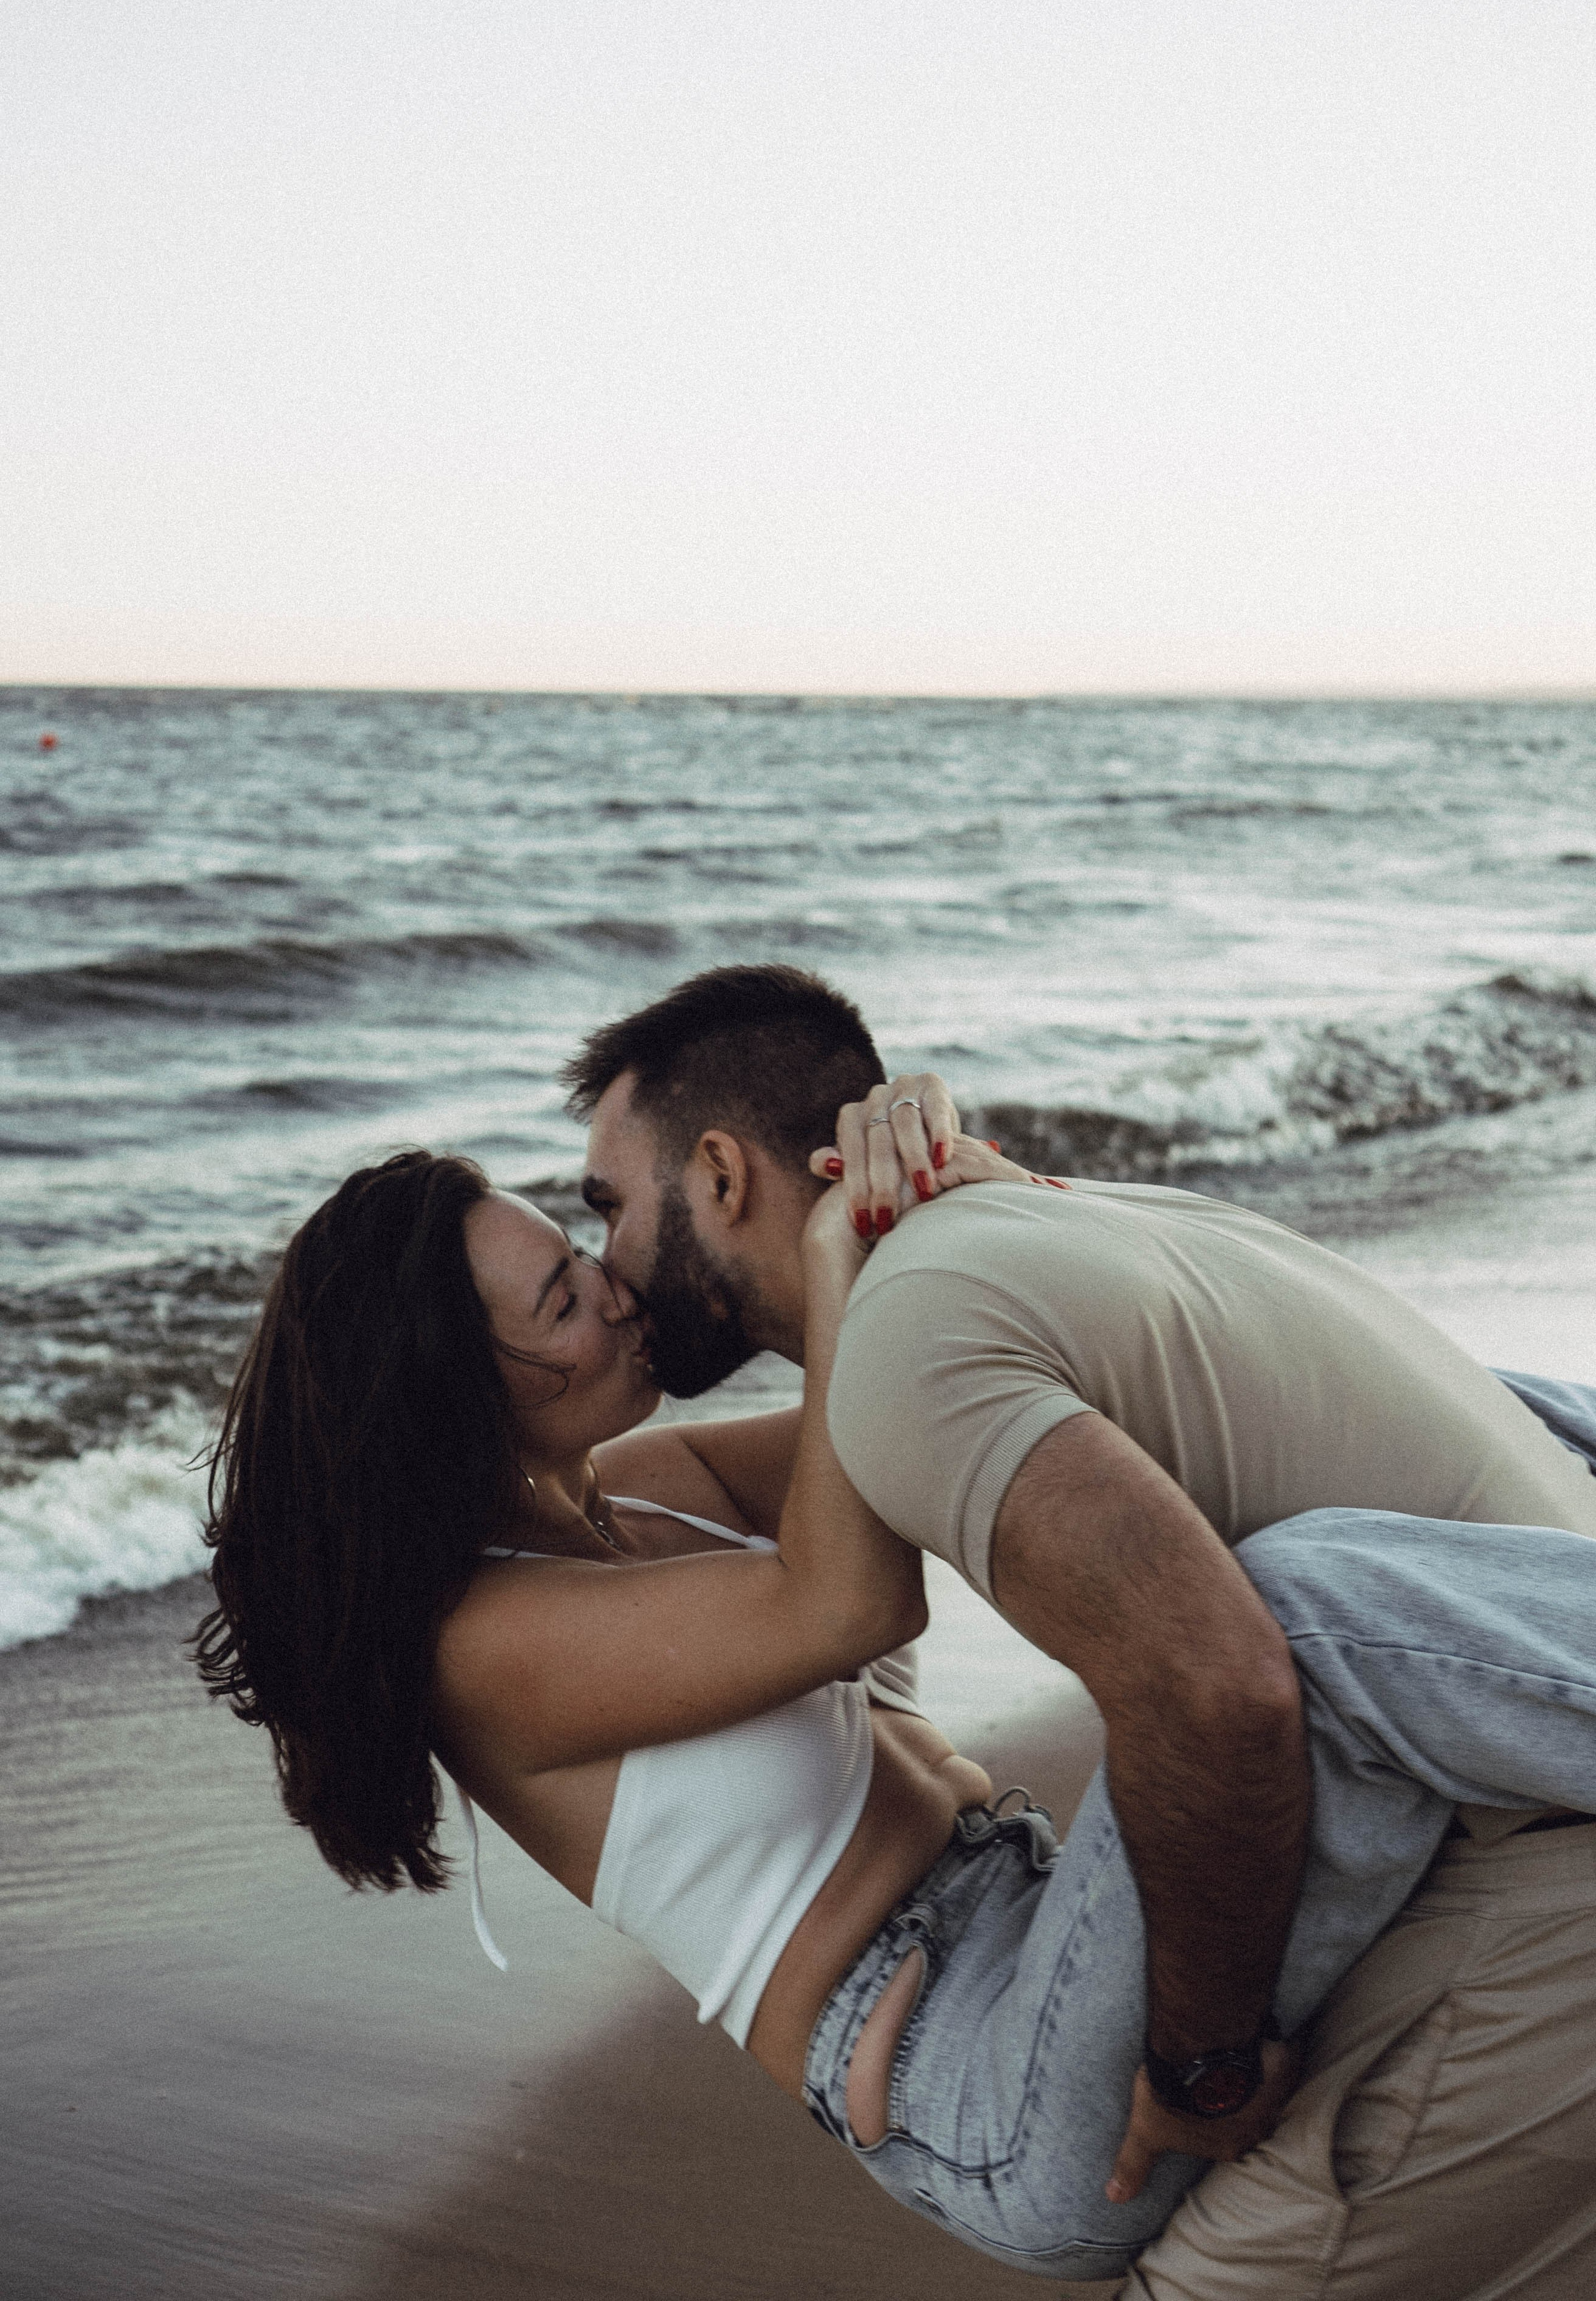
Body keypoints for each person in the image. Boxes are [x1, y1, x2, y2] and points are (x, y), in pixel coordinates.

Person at [197, 1134, 1596, 2286]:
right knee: (1285, 1616)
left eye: (577, 1259)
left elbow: (966, 1397)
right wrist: (825, 1251)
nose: (613, 1291)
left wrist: (943, 1186)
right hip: (984, 2083)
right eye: (563, 1303)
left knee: (1491, 1413)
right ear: (456, 1400)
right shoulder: (482, 1647)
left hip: (1051, 1927)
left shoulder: (644, 1489)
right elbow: (849, 1603)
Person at [567, 961, 1596, 2292]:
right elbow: (701, 1494)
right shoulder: (1076, 1217)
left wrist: (1199, 2065)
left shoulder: (911, 1344)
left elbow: (1216, 1688)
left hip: (1538, 1833)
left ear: (716, 1174)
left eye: (605, 1208)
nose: (604, 1269)